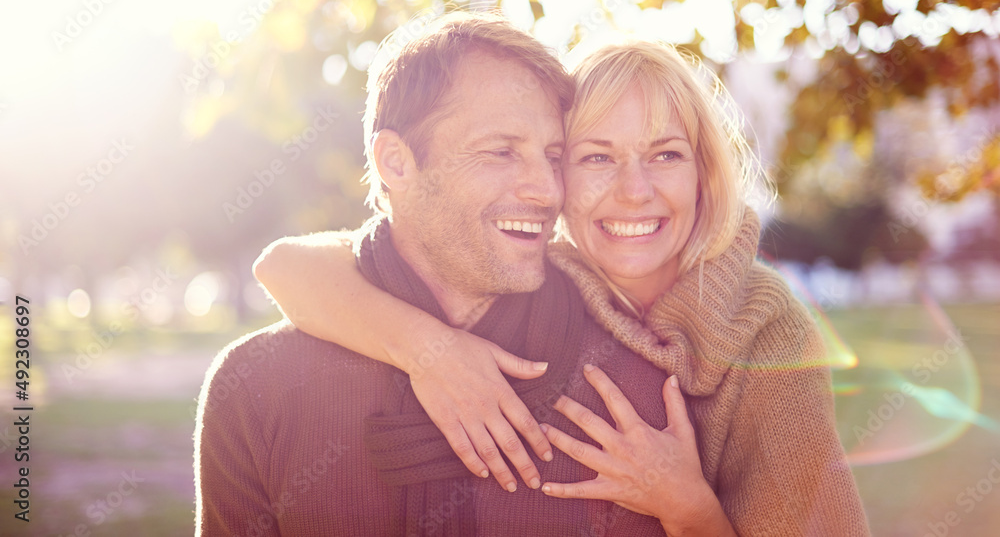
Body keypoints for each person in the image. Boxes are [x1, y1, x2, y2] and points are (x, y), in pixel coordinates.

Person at [254, 36, 873, 535]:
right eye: (596, 158)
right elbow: (289, 266)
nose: (635, 191)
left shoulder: (761, 327)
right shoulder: (539, 270)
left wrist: (688, 509)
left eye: (665, 156)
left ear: (704, 176)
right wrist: (428, 351)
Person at [195, 11, 722, 536]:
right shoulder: (257, 389)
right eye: (501, 151)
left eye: (553, 156)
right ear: (396, 164)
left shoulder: (636, 403)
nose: (547, 191)